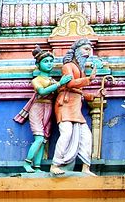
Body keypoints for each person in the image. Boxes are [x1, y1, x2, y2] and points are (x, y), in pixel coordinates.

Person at [14, 47, 71, 173]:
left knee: (44, 139)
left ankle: (37, 166)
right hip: (37, 108)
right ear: (38, 64)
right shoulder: (37, 80)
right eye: (46, 61)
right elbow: (42, 91)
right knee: (39, 138)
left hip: (49, 108)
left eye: (51, 61)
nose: (49, 64)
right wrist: (59, 84)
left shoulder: (51, 80)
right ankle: (27, 163)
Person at [50, 39, 96, 175]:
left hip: (76, 106)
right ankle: (55, 164)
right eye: (86, 49)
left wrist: (93, 95)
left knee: (87, 136)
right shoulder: (68, 66)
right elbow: (69, 84)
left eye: (90, 49)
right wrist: (89, 79)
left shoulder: (81, 70)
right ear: (77, 50)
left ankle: (86, 167)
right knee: (66, 134)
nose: (88, 53)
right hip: (65, 104)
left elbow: (78, 91)